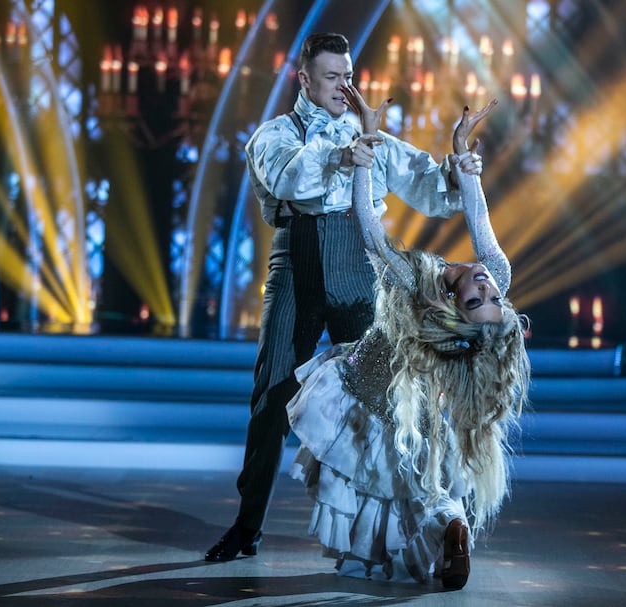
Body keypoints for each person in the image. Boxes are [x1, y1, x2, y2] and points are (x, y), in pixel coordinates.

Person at [206, 32, 491, 562]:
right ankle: (247, 526)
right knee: (272, 392)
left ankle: (396, 536)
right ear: (306, 79)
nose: (345, 86)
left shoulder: (371, 133)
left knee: (382, 399)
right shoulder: (275, 134)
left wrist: (456, 167)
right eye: (333, 76)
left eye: (349, 75)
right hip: (296, 262)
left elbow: (425, 181)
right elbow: (288, 177)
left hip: (361, 263)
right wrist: (342, 155)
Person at [285, 88, 531, 590]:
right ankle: (451, 527)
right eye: (492, 298)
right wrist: (462, 152)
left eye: (478, 297)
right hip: (396, 396)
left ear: (453, 311)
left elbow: (370, 230)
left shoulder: (414, 282)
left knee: (396, 489)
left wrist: (368, 146)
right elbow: (479, 217)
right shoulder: (498, 274)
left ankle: (446, 531)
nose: (488, 286)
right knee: (417, 485)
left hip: (376, 398)